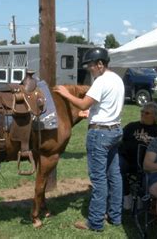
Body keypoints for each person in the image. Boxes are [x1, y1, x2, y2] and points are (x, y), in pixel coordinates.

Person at [53, 47, 124, 232]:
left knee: (99, 178)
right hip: (115, 130)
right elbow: (105, 104)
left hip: (100, 134)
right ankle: (115, 216)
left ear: (100, 64)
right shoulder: (117, 79)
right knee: (114, 175)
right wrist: (91, 112)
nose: (90, 69)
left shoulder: (101, 81)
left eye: (91, 66)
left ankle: (95, 222)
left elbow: (84, 102)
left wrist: (66, 94)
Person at [119, 102, 157, 210]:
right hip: (127, 160)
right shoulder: (131, 126)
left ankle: (142, 198)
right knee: (117, 166)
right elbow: (120, 140)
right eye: (142, 111)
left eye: (146, 113)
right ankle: (126, 195)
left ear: (154, 116)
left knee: (148, 175)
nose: (143, 114)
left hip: (146, 164)